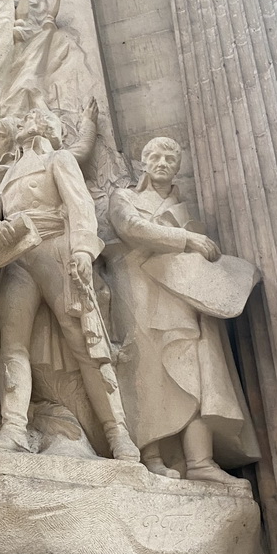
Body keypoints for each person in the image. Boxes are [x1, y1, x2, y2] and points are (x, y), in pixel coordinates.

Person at [0, 107, 139, 460]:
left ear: (50, 129)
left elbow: (79, 203)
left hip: (54, 248)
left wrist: (82, 251)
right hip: (16, 257)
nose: (30, 118)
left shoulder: (59, 158)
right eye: (28, 115)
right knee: (12, 346)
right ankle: (14, 429)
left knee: (83, 342)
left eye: (38, 116)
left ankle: (118, 435)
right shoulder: (10, 174)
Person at [107, 136, 260, 483]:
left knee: (195, 372)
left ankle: (200, 462)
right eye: (155, 157)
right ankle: (152, 455)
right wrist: (186, 239)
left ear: (178, 168)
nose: (162, 163)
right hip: (139, 290)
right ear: (143, 162)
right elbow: (131, 227)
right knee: (149, 371)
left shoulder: (183, 207)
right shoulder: (125, 197)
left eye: (169, 159)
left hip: (183, 297)